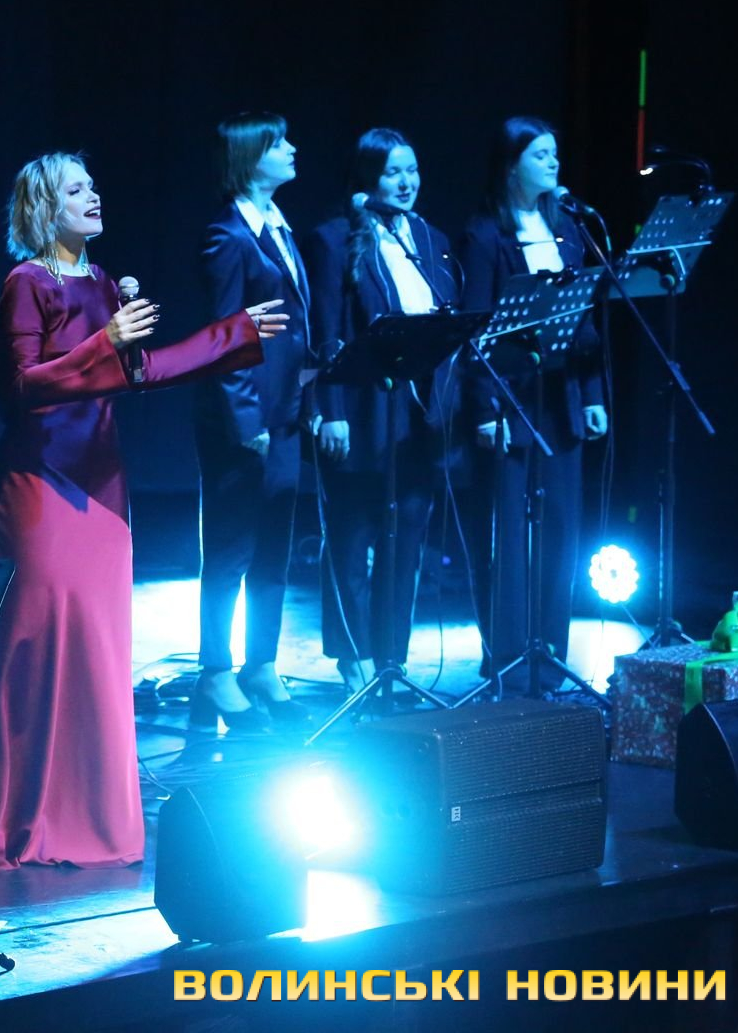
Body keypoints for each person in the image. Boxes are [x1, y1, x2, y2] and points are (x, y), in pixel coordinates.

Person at [0, 153, 281, 870]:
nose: (94, 195)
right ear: (46, 207)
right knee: (33, 648)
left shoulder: (100, 281)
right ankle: (13, 816)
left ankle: (88, 817)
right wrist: (105, 342)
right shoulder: (26, 283)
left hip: (102, 485)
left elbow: (141, 373)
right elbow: (20, 389)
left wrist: (235, 333)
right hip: (41, 484)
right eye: (77, 189)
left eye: (93, 184)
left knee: (97, 653)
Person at [304, 129, 461, 698]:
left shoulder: (430, 238)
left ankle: (392, 658)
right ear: (368, 176)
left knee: (406, 538)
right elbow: (325, 329)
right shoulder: (333, 238)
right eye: (393, 171)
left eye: (412, 169)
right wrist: (331, 409)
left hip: (420, 417)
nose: (406, 182)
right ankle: (354, 656)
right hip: (363, 409)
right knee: (352, 537)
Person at [459, 116, 606, 687]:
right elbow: (476, 332)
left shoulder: (568, 227)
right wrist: (484, 408)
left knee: (561, 529)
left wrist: (591, 394)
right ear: (511, 164)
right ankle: (507, 658)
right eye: (540, 155)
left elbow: (583, 319)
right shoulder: (483, 235)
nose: (553, 163)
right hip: (509, 399)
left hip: (561, 397)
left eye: (554, 153)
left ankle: (549, 657)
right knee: (507, 536)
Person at [191, 112, 313, 732]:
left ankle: (261, 664)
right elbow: (224, 335)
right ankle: (215, 671)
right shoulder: (228, 236)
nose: (292, 149)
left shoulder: (279, 228)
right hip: (244, 423)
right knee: (231, 550)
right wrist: (246, 420)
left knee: (274, 550)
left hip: (285, 414)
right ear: (250, 157)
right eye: (278, 143)